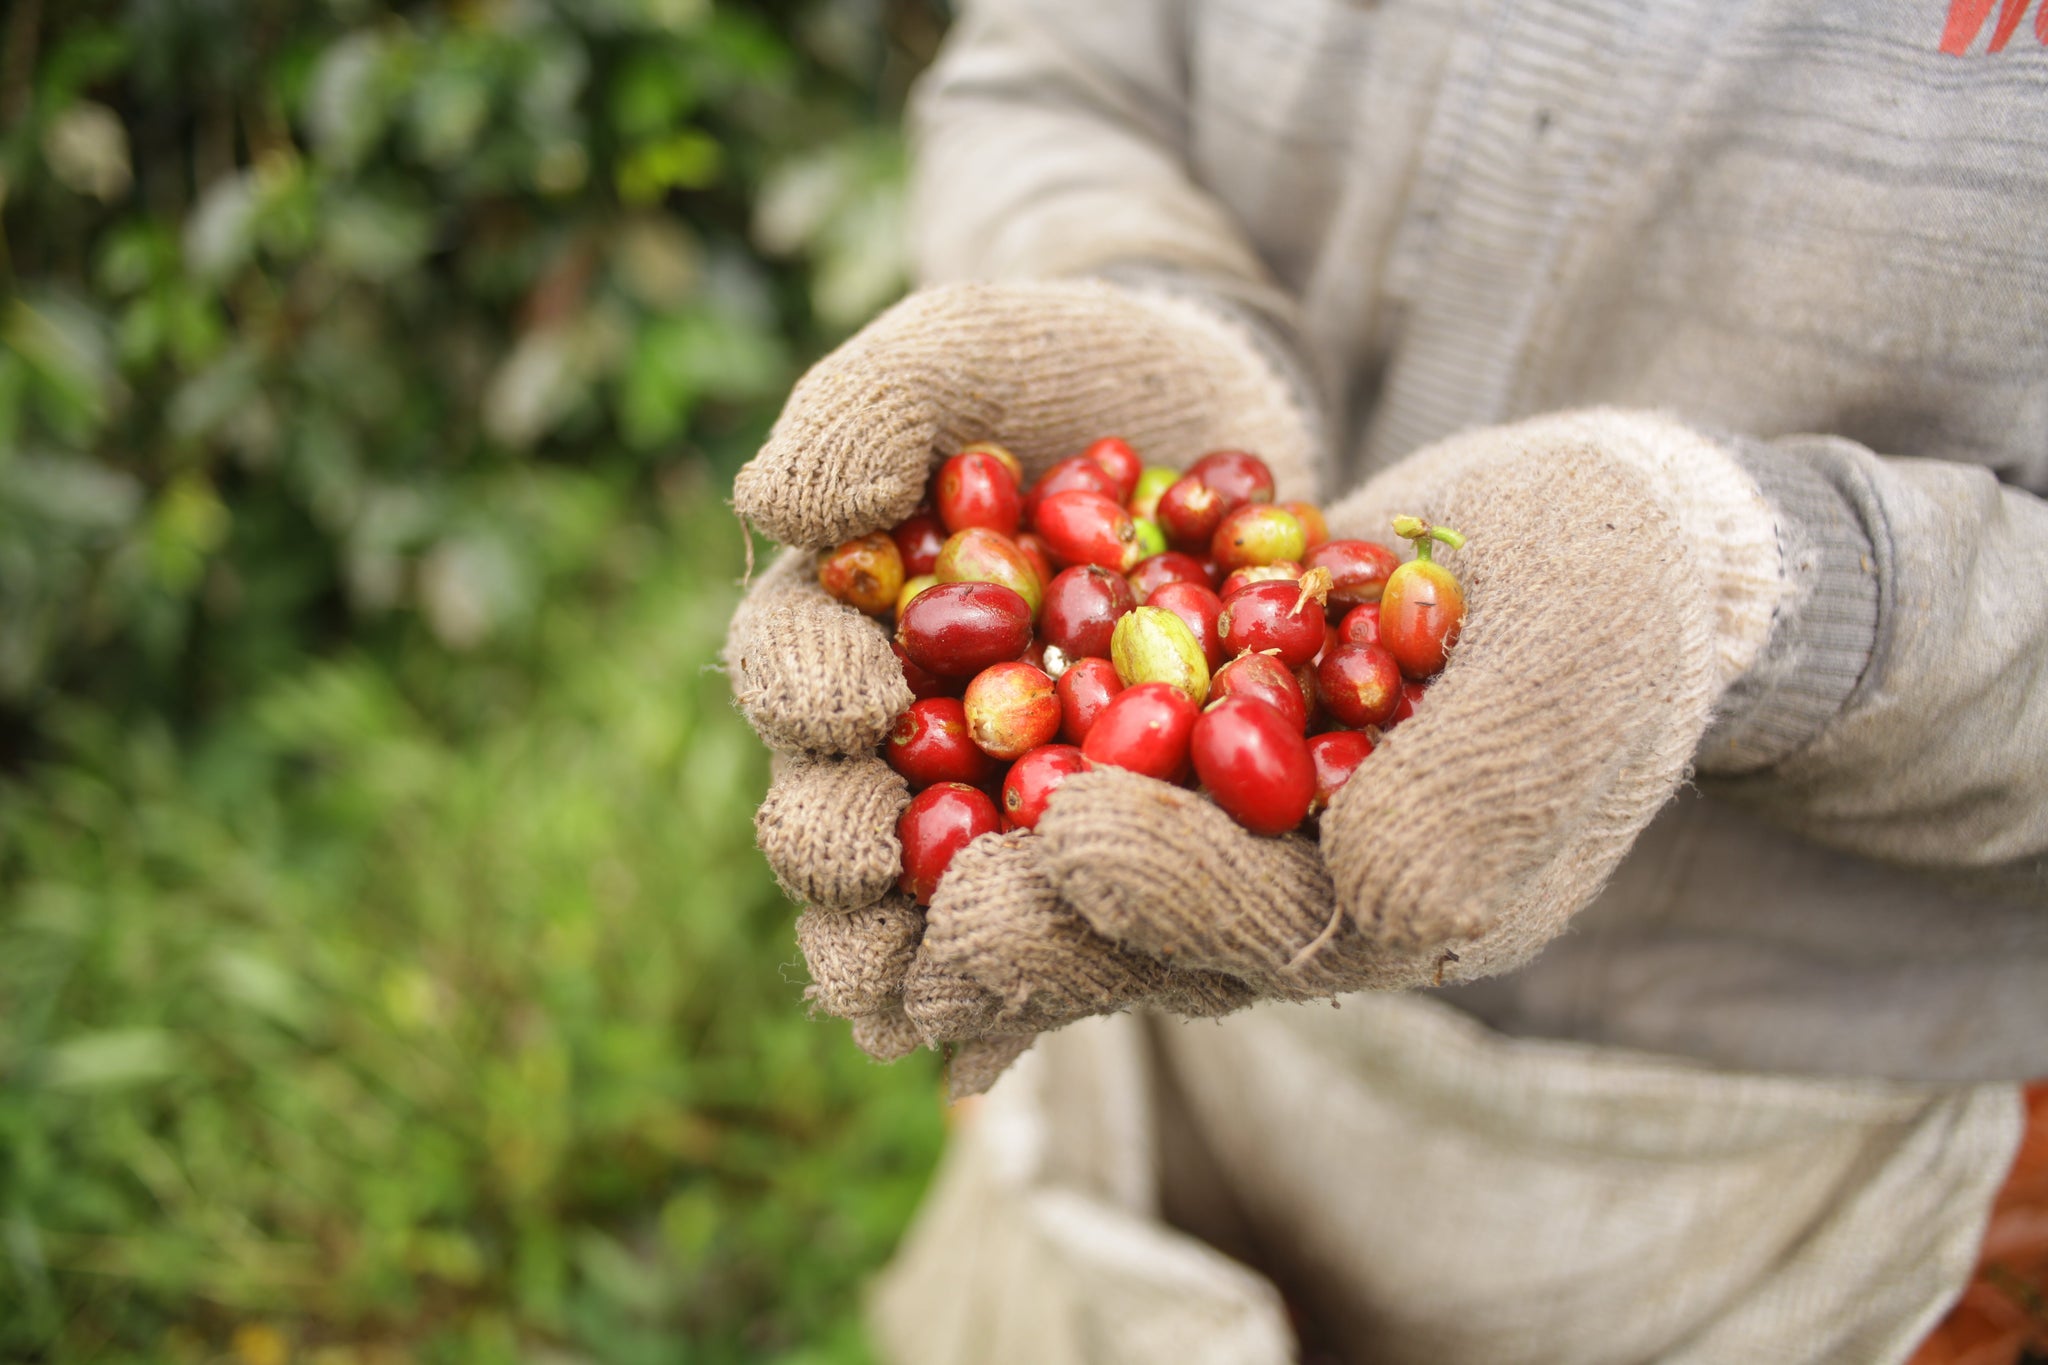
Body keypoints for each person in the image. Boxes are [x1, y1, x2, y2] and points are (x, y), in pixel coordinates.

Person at [723, 1, 2048, 1360]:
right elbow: (1050, 71)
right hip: (1165, 961)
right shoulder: (1234, 643)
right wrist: (1129, 290)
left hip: (1789, 1112)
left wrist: (1764, 584)